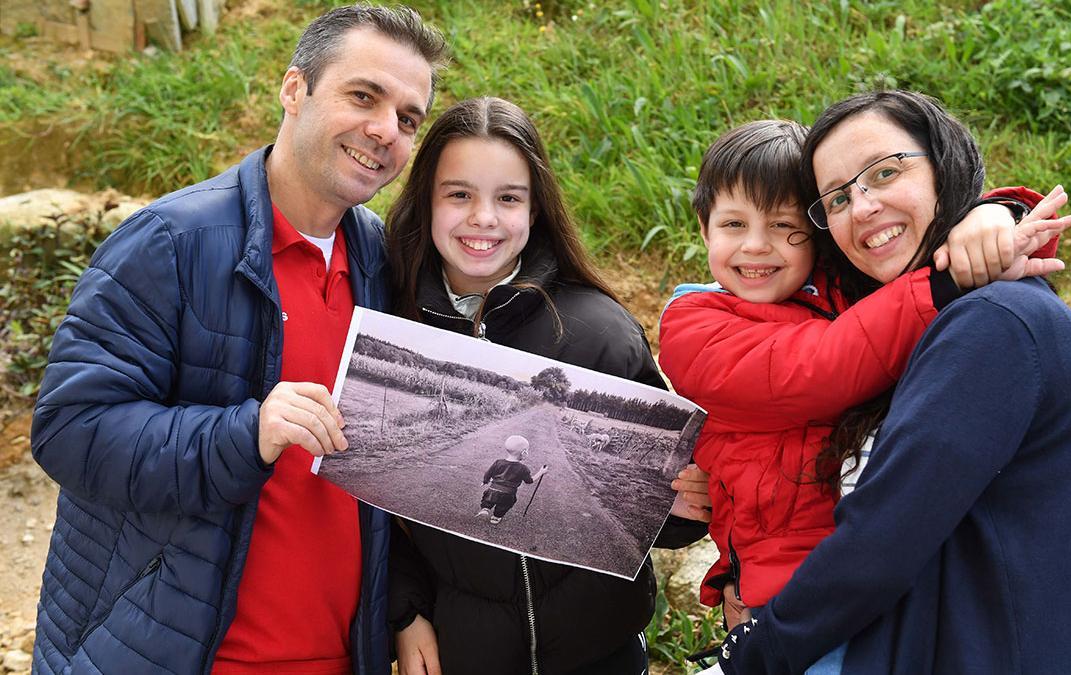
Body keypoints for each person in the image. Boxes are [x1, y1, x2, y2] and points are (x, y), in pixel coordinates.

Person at [28, 5, 447, 673]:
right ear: (293, 89)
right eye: (364, 96)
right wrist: (245, 434)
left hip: (342, 655)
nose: (383, 130)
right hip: (178, 655)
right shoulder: (169, 242)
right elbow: (68, 429)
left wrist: (401, 602)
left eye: (406, 118)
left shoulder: (380, 257)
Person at [713, 90, 1071, 674]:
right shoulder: (925, 330)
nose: (864, 206)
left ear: (943, 165)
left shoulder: (991, 325)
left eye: (885, 172)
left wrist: (752, 655)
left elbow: (881, 538)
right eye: (839, 197)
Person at [384, 96, 710, 675]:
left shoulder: (599, 335)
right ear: (425, 201)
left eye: (508, 198)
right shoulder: (391, 331)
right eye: (458, 194)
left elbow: (667, 516)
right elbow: (367, 504)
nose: (483, 217)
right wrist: (405, 611)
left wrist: (685, 503)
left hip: (600, 653)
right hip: (465, 652)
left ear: (536, 211)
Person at [477, 434, 549, 524]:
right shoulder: (523, 468)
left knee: (488, 499)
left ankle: (485, 508)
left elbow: (489, 473)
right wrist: (541, 472)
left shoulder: (498, 462)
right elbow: (529, 481)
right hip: (508, 494)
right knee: (504, 505)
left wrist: (485, 481)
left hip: (493, 489)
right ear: (524, 453)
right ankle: (496, 517)